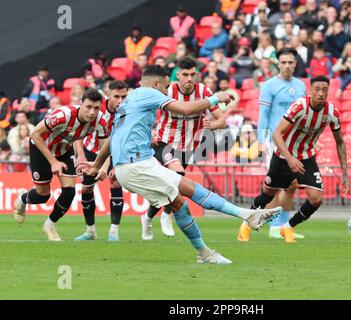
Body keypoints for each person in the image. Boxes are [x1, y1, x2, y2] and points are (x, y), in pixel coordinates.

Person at [78, 64, 281, 264]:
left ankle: (207, 249)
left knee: (180, 202)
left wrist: (97, 164)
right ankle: (244, 218)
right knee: (189, 188)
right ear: (157, 84)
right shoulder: (149, 93)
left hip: (135, 164)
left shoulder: (130, 99)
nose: (167, 91)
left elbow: (114, 137)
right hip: (136, 165)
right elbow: (184, 109)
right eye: (166, 87)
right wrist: (215, 98)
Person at [253, 75, 350, 243]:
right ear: (310, 91)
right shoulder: (300, 106)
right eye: (317, 89)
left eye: (324, 90)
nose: (321, 93)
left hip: (306, 157)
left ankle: (288, 227)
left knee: (316, 198)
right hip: (283, 155)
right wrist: (289, 158)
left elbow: (340, 143)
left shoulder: (332, 112)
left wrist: (345, 174)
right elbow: (277, 133)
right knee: (268, 193)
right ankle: (247, 223)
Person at [143, 57, 227, 240]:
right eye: (185, 75)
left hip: (188, 147)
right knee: (176, 176)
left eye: (192, 75)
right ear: (178, 75)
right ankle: (166, 216)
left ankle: (148, 217)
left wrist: (212, 125)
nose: (189, 79)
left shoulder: (204, 91)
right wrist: (150, 131)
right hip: (165, 143)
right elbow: (146, 110)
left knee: (169, 185)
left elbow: (222, 120)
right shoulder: (168, 90)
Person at [12, 89, 107, 242]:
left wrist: (101, 166)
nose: (92, 112)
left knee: (69, 192)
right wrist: (53, 162)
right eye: (88, 107)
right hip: (40, 148)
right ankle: (23, 199)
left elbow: (104, 148)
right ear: (80, 104)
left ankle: (49, 225)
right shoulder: (64, 115)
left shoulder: (100, 121)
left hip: (64, 150)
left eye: (96, 108)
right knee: (43, 196)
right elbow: (35, 134)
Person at [237, 48, 306, 242]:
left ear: (295, 64)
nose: (287, 66)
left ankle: (283, 226)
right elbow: (264, 115)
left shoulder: (300, 86)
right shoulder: (269, 86)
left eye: (290, 63)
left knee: (291, 186)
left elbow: (302, 117)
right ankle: (274, 226)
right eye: (283, 62)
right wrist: (261, 141)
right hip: (275, 142)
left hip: (295, 143)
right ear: (278, 63)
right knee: (276, 186)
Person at [73, 81, 128, 241]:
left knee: (115, 183)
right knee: (86, 190)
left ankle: (114, 232)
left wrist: (115, 163)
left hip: (113, 153)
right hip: (90, 151)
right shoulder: (96, 107)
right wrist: (81, 156)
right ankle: (90, 232)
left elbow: (123, 138)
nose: (120, 100)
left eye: (123, 96)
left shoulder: (128, 111)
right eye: (116, 96)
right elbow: (77, 132)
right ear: (108, 95)